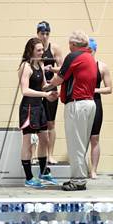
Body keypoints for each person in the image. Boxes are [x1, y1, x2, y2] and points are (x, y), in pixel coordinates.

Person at [49, 30, 97, 191]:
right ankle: (79, 176)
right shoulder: (88, 57)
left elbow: (59, 78)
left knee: (75, 144)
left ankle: (78, 180)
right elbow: (69, 72)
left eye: (69, 43)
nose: (68, 46)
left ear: (74, 44)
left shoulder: (73, 56)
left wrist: (44, 87)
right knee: (81, 144)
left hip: (77, 105)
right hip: (89, 104)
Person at [18, 37, 58, 188]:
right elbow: (25, 90)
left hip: (39, 107)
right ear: (31, 51)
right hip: (28, 108)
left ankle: (43, 172)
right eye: (39, 50)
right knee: (27, 143)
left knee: (45, 140)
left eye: (43, 50)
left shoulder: (40, 64)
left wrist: (53, 87)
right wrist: (45, 95)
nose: (42, 53)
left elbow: (43, 86)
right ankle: (29, 177)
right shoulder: (25, 67)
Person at [36, 21, 64, 165]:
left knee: (50, 123)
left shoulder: (54, 49)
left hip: (51, 89)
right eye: (42, 33)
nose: (45, 36)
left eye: (47, 33)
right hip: (37, 89)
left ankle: (50, 155)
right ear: (37, 34)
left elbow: (63, 69)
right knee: (36, 124)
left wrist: (51, 70)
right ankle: (38, 154)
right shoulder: (33, 49)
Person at [87, 38, 112, 179]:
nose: (88, 53)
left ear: (95, 50)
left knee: (95, 138)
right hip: (81, 103)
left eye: (90, 50)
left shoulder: (101, 67)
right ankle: (81, 168)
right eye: (86, 50)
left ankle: (94, 170)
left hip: (95, 103)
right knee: (82, 139)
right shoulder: (79, 65)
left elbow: (109, 88)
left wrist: (94, 90)